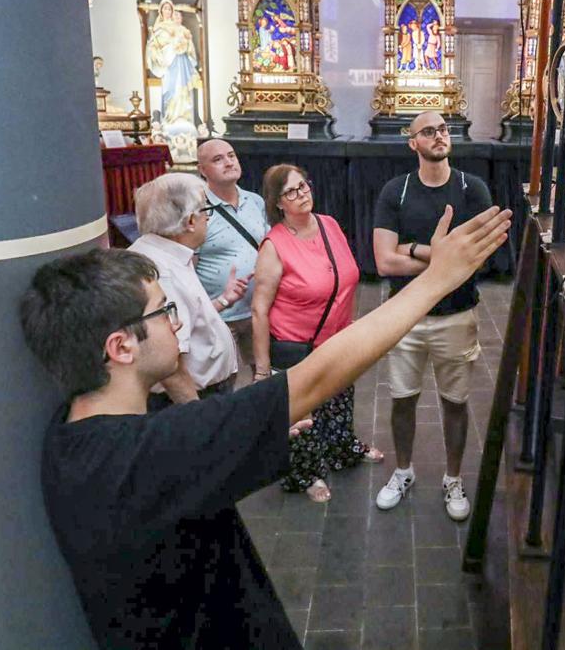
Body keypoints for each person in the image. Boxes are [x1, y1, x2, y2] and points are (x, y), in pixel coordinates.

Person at [21, 203, 512, 650]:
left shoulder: (71, 435)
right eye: (164, 310)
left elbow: (173, 461)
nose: (177, 322)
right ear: (121, 347)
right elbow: (315, 377)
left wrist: (243, 433)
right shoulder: (153, 452)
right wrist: (436, 280)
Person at [372, 111, 494, 521]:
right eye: (428, 131)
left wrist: (411, 249)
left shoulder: (471, 189)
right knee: (402, 399)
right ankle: (403, 471)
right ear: (413, 143)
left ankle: (453, 478)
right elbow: (384, 262)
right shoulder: (397, 190)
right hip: (405, 316)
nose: (439, 135)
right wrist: (437, 255)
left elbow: (477, 260)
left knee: (455, 403)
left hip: (457, 315)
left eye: (443, 129)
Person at [251, 165, 383, 503]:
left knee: (339, 401)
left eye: (304, 185)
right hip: (297, 345)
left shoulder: (329, 225)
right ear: (278, 203)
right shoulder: (274, 245)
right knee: (304, 414)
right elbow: (259, 310)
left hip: (337, 338)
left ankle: (342, 450)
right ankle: (307, 473)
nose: (302, 194)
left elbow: (345, 277)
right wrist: (263, 370)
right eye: (291, 192)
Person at [127, 173, 249, 401]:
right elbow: (171, 366)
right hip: (194, 397)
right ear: (190, 221)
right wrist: (201, 418)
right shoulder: (162, 272)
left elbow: (187, 316)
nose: (209, 219)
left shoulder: (165, 252)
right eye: (206, 210)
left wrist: (222, 301)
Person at [195, 139, 268, 382]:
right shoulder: (196, 210)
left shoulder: (255, 201)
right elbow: (188, 266)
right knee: (222, 383)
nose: (228, 162)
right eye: (218, 159)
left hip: (257, 312)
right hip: (218, 316)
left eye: (231, 155)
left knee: (262, 377)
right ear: (202, 170)